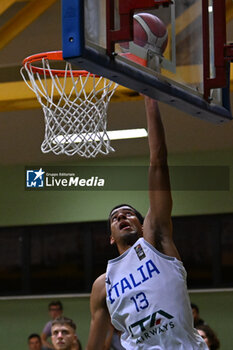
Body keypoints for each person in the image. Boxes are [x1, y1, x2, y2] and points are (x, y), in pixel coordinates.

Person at [86, 97, 209, 349]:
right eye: (115, 217)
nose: (121, 217)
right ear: (111, 237)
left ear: (143, 227)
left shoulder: (157, 242)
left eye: (129, 214)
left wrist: (149, 96)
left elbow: (158, 161)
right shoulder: (103, 285)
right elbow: (95, 343)